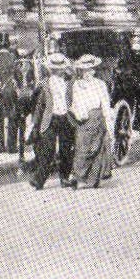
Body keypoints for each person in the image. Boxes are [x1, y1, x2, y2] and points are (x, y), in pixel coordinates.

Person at [28, 51, 75, 188]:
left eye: (59, 69)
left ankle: (64, 178)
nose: (57, 72)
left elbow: (74, 100)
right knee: (47, 150)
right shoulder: (45, 85)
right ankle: (39, 180)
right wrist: (35, 124)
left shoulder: (70, 84)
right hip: (50, 119)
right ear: (51, 70)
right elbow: (40, 106)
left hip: (66, 118)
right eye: (54, 69)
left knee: (66, 149)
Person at [69, 55, 113, 188]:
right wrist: (79, 113)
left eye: (89, 70)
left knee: (97, 148)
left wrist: (109, 123)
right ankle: (78, 177)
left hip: (97, 117)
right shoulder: (77, 85)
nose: (87, 73)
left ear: (93, 70)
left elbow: (105, 103)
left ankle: (93, 179)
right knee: (82, 147)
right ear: (81, 71)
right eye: (84, 70)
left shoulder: (100, 84)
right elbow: (76, 102)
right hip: (83, 119)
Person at [0, 33, 20, 155]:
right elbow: (18, 76)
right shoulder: (13, 58)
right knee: (12, 117)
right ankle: (11, 147)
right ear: (8, 45)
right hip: (9, 90)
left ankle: (0, 147)